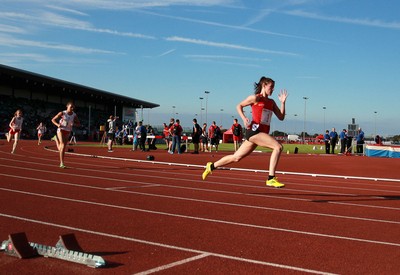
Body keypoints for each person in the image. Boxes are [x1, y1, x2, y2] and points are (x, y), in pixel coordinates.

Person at [202, 76, 287, 188]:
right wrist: (243, 117)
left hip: (261, 134)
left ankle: (212, 166)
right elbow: (239, 105)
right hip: (254, 132)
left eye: (273, 88)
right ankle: (271, 178)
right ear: (264, 85)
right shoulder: (255, 98)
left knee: (236, 157)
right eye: (271, 87)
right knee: (278, 147)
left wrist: (283, 103)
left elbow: (281, 117)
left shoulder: (271, 102)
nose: (273, 90)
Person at [51, 102, 80, 168]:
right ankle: (62, 163)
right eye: (71, 107)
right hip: (61, 130)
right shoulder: (62, 113)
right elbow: (53, 120)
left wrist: (74, 124)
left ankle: (55, 139)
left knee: (61, 148)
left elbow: (78, 124)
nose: (72, 108)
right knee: (63, 145)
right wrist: (57, 124)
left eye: (73, 107)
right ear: (67, 106)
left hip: (68, 131)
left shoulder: (74, 115)